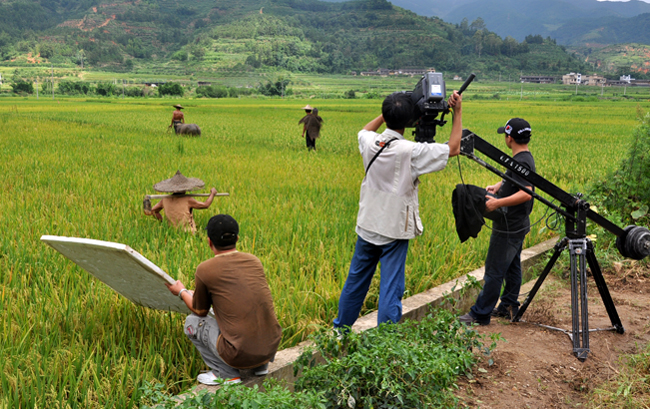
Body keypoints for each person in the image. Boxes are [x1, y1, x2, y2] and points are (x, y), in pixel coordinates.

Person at [333, 90, 463, 330]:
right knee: (391, 288)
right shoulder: (410, 151)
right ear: (409, 122)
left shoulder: (369, 142)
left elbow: (364, 130)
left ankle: (339, 331)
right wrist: (457, 112)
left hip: (367, 224)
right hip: (393, 230)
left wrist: (386, 115)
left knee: (356, 281)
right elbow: (453, 148)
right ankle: (386, 340)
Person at [166, 214, 282, 385]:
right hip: (270, 346)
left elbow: (200, 310)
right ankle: (260, 366)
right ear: (237, 238)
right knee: (243, 311)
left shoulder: (205, 269)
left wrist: (181, 291)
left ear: (209, 241)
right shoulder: (254, 261)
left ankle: (226, 373)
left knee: (192, 322)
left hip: (239, 353)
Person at [459, 118, 536, 326]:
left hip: (509, 225)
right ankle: (508, 305)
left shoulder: (521, 161)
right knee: (512, 267)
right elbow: (513, 179)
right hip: (518, 224)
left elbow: (526, 193)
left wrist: (498, 202)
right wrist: (497, 186)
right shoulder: (523, 158)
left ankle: (480, 313)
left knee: (494, 270)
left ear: (509, 138)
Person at [144, 170, 219, 233]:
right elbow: (206, 205)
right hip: (189, 233)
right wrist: (212, 194)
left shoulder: (164, 199)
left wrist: (163, 222)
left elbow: (152, 211)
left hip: (172, 232)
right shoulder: (188, 199)